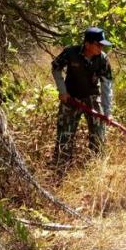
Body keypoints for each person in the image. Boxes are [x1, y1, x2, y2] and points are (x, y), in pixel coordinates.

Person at [51, 27, 113, 174]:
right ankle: (61, 170)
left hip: (92, 97)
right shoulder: (70, 52)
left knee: (98, 135)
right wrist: (62, 91)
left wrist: (107, 112)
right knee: (64, 135)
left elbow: (107, 85)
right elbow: (55, 68)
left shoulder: (103, 59)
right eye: (98, 44)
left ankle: (96, 170)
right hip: (71, 98)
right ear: (87, 44)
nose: (101, 48)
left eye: (102, 45)